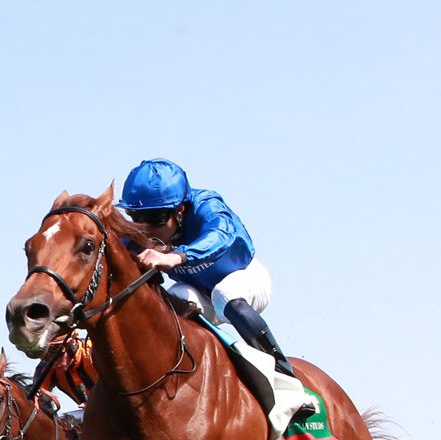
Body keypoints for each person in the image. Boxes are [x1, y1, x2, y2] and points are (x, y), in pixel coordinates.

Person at [117, 158, 300, 382]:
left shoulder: (207, 205)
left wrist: (175, 257)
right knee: (172, 302)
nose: (145, 229)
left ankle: (284, 374)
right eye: (136, 218)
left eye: (156, 218)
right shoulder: (139, 235)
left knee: (225, 294)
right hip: (201, 296)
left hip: (245, 280)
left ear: (180, 210)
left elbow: (220, 235)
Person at [33, 329, 99, 411]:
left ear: (73, 345)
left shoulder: (94, 350)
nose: (53, 363)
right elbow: (34, 403)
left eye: (55, 352)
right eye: (45, 357)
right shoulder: (45, 369)